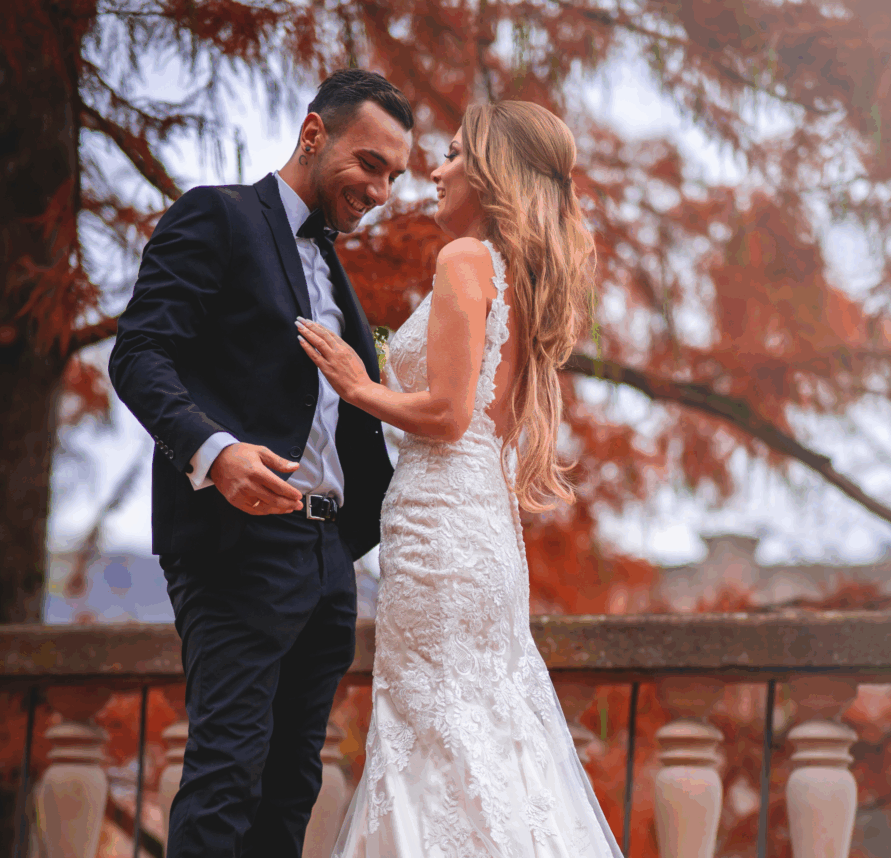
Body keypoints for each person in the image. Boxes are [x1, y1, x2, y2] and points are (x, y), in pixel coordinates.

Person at [296, 100, 623, 857]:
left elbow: (446, 414)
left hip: (444, 531)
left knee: (435, 732)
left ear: (489, 171)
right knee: (484, 733)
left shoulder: (465, 260)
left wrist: (357, 381)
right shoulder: (516, 275)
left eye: (450, 156)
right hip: (481, 532)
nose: (434, 172)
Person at [108, 69, 413, 858]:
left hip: (326, 558)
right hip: (236, 543)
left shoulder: (334, 266)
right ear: (314, 134)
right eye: (370, 164)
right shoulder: (217, 215)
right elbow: (140, 354)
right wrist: (217, 453)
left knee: (291, 789)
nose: (380, 191)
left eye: (394, 176)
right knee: (225, 775)